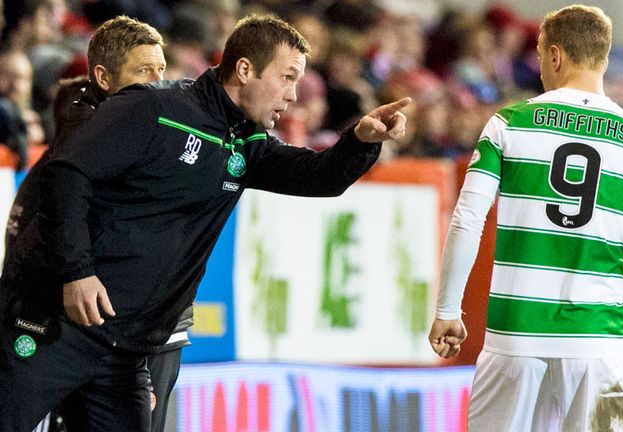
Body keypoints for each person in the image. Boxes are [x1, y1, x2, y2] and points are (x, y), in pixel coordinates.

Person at [0, 14, 408, 432]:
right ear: (245, 70)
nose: (293, 95)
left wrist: (360, 141)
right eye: (286, 78)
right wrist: (76, 272)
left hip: (126, 348)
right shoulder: (152, 109)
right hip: (55, 323)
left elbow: (318, 177)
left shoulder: (245, 141)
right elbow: (68, 174)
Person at [427, 5, 623, 431]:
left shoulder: (510, 124)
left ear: (556, 56)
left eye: (541, 56)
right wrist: (607, 328)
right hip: (597, 345)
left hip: (514, 337)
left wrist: (450, 308)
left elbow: (468, 218)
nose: (541, 68)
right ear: (604, 57)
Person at [2, 15, 191, 432]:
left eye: (162, 70)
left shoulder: (172, 133)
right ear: (103, 78)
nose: (158, 83)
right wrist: (77, 273)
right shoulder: (77, 152)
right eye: (144, 71)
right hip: (63, 323)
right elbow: (38, 237)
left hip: (141, 333)